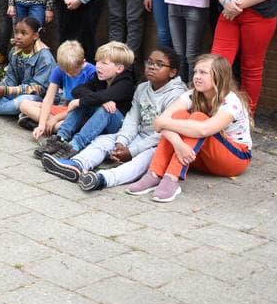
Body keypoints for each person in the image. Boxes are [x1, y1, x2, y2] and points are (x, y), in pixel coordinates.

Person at [44, 47, 185, 191]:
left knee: (141, 161)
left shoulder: (177, 96)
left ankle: (103, 179)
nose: (152, 67)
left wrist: (132, 151)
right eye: (149, 62)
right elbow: (132, 119)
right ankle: (77, 164)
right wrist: (121, 142)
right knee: (103, 141)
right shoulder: (142, 88)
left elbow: (163, 134)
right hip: (138, 134)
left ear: (172, 72)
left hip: (160, 144)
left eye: (159, 64)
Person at [123, 54, 253, 203]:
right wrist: (178, 143)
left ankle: (171, 178)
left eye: (203, 72)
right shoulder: (191, 95)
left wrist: (171, 129)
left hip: (234, 159)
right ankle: (154, 174)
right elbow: (159, 122)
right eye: (196, 72)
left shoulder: (231, 101)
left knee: (198, 117)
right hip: (195, 156)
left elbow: (204, 129)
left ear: (219, 76)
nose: (197, 76)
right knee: (179, 115)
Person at [33, 41, 136, 159]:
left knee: (103, 109)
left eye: (104, 63)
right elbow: (78, 90)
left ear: (119, 69)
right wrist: (98, 100)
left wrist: (81, 101)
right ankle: (60, 138)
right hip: (98, 121)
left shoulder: (126, 83)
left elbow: (103, 96)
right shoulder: (100, 78)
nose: (98, 66)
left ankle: (75, 146)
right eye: (97, 61)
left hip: (117, 125)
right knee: (86, 102)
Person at [0, 17, 54, 117]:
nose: (18, 36)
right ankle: (15, 110)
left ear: (35, 36)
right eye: (16, 32)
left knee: (22, 102)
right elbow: (10, 79)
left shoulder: (45, 57)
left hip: (37, 97)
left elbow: (38, 89)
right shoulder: (15, 51)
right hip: (15, 92)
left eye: (24, 33)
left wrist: (7, 91)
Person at [25, 40, 97, 137]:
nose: (69, 74)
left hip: (81, 112)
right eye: (66, 71)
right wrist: (41, 124)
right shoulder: (59, 69)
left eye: (73, 72)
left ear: (83, 62)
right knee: (24, 105)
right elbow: (49, 98)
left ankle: (47, 125)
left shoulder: (92, 72)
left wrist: (56, 118)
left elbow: (84, 106)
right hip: (66, 109)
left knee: (62, 125)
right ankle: (46, 126)